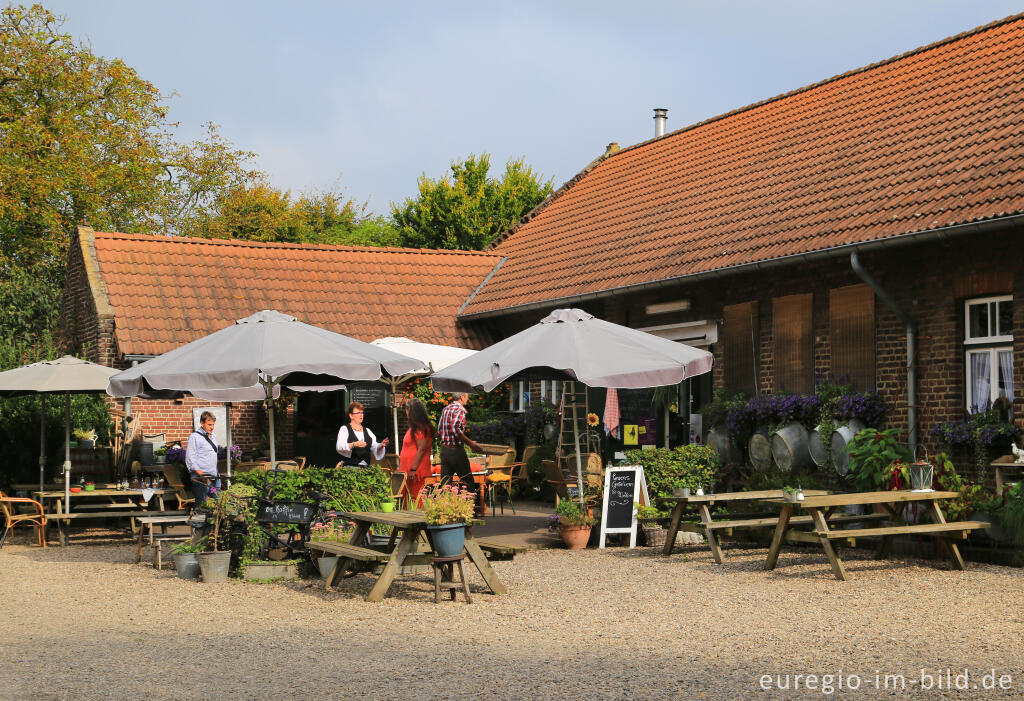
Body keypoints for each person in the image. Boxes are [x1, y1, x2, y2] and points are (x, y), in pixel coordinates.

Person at [437, 392, 482, 508]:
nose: (468, 398)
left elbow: (439, 429)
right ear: (462, 396)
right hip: (455, 451)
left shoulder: (446, 409)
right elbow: (455, 430)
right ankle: (469, 511)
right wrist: (471, 443)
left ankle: (444, 511)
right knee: (468, 480)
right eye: (467, 395)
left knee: (445, 483)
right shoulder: (460, 410)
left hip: (444, 450)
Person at [399, 398, 433, 505]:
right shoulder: (415, 427)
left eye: (407, 409)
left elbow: (422, 449)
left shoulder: (421, 428)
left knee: (416, 501)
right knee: (407, 501)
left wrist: (413, 469)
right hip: (408, 471)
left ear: (412, 411)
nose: (406, 412)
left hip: (415, 472)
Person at [336, 401, 389, 467]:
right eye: (358, 413)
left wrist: (381, 445)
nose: (361, 415)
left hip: (365, 469)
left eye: (362, 413)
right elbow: (339, 446)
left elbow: (374, 446)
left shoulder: (367, 431)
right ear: (351, 415)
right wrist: (354, 444)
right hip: (349, 469)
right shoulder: (344, 429)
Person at [186, 411, 220, 510]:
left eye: (213, 424)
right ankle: (197, 523)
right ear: (202, 423)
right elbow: (190, 459)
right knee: (201, 503)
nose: (212, 427)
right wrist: (202, 475)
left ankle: (212, 523)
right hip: (201, 479)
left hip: (214, 477)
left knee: (218, 499)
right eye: (209, 424)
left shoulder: (213, 436)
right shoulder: (194, 437)